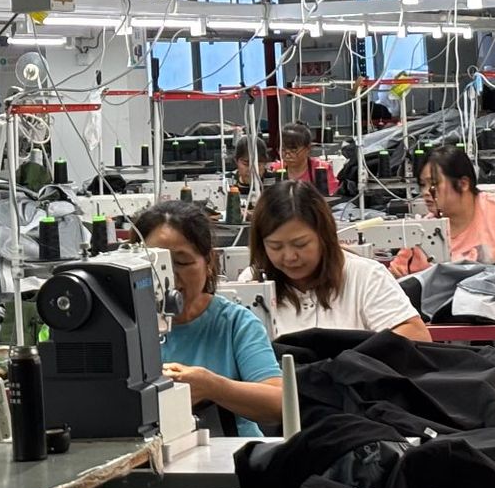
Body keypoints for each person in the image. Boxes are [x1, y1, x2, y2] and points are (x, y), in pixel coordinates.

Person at [136, 200, 283, 435]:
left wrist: (213, 387)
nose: (168, 277)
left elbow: (279, 403)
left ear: (209, 263)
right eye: (155, 265)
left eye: (182, 262)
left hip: (231, 454)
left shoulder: (235, 324)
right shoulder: (122, 329)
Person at [247, 181, 429, 340]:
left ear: (323, 235)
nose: (289, 256)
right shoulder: (250, 284)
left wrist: (351, 357)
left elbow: (417, 335)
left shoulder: (365, 276)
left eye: (300, 244)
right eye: (275, 247)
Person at [277, 124, 338, 195]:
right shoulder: (276, 169)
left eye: (293, 150)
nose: (287, 155)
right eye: (283, 150)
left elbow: (331, 196)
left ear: (308, 149)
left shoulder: (321, 168)